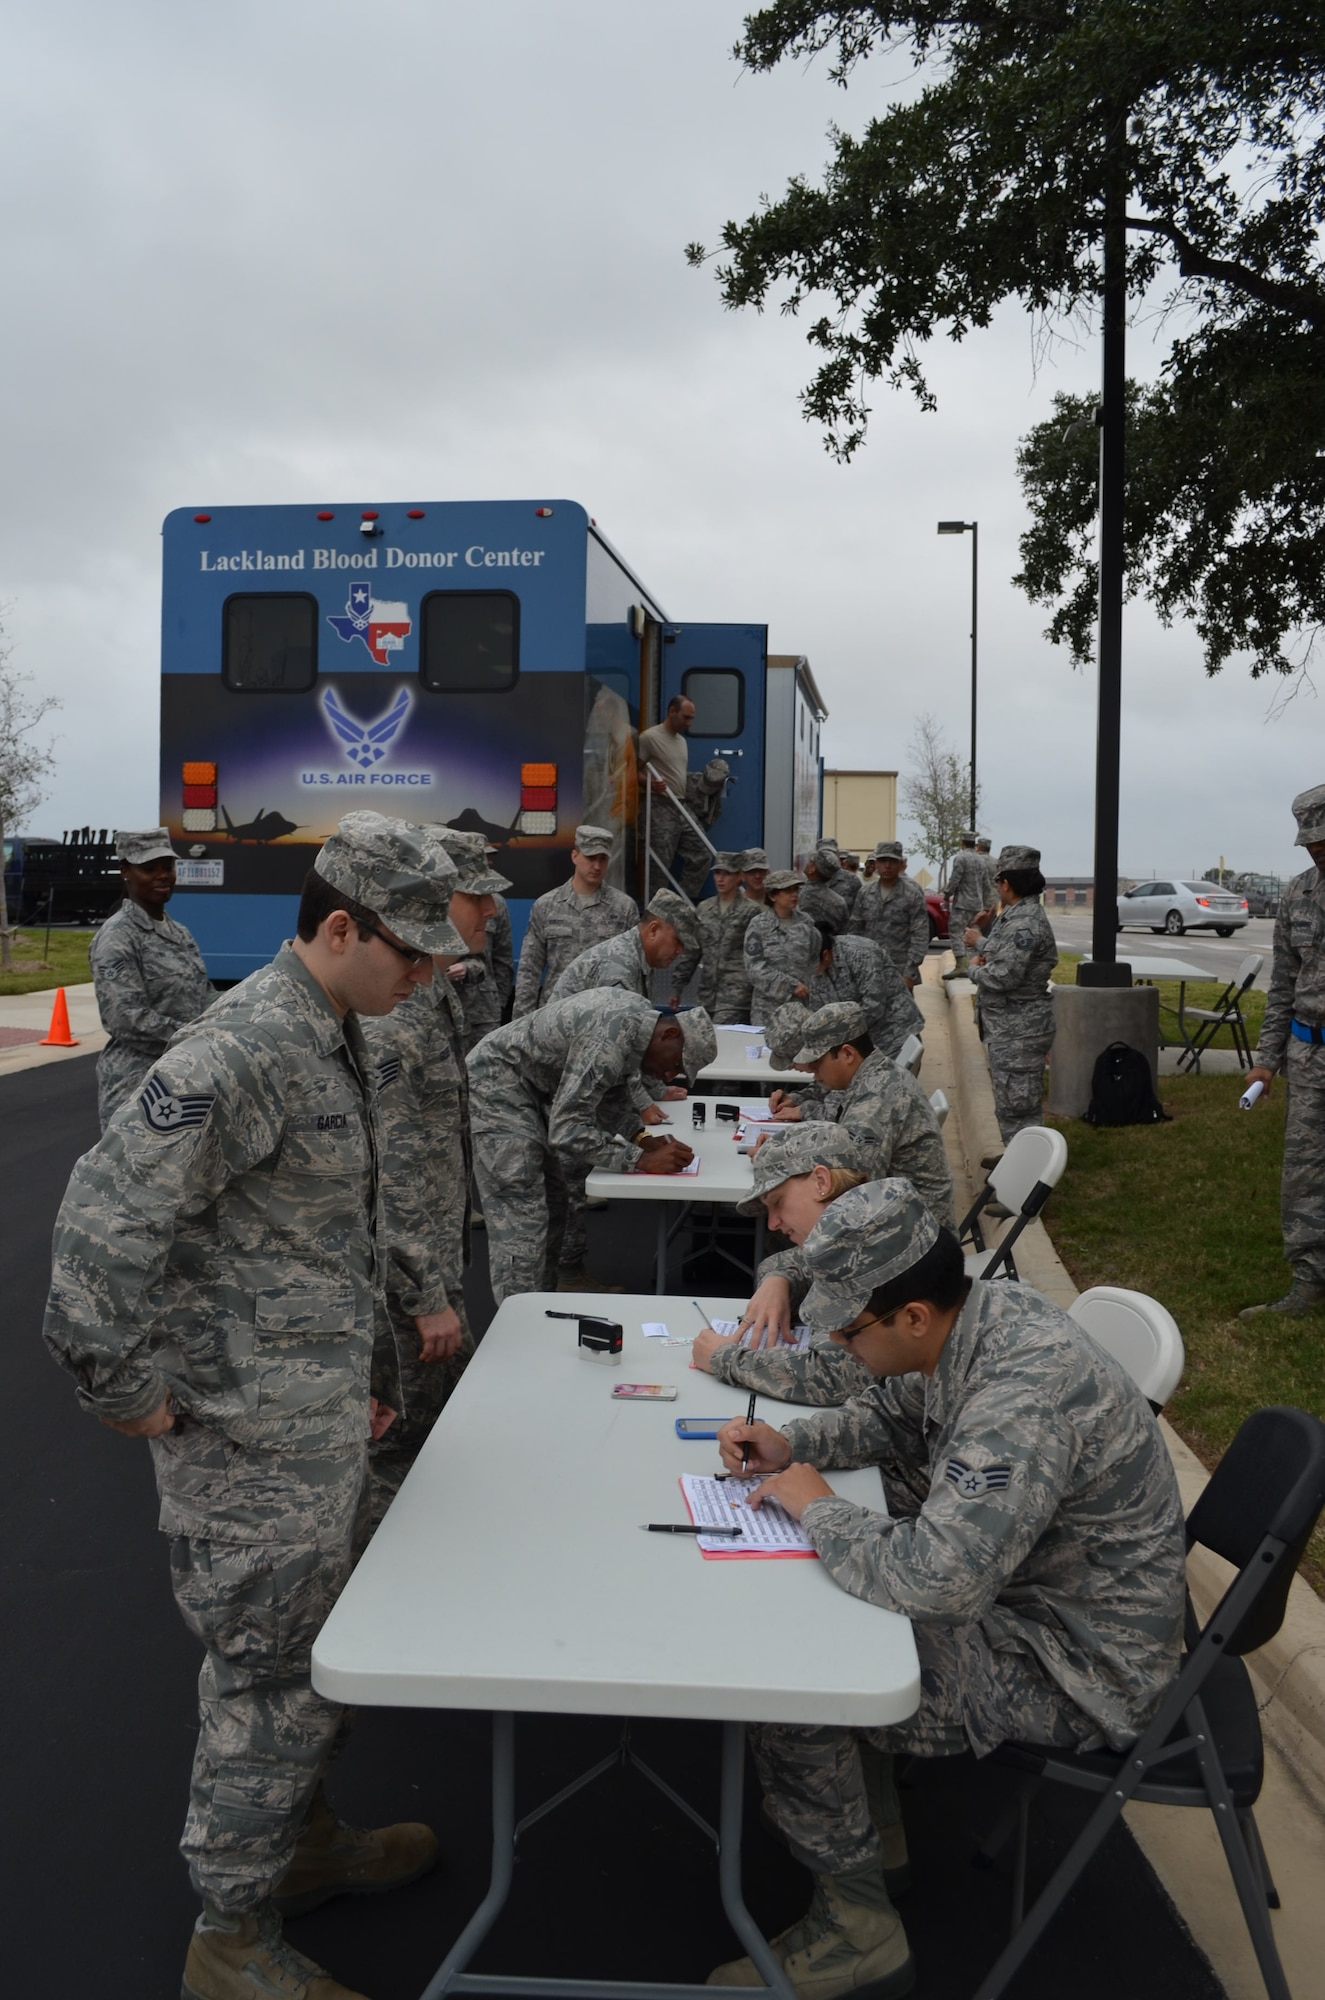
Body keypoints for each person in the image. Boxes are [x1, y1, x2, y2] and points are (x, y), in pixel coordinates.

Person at [43, 811, 462, 2000]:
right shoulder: (240, 1048)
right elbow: (98, 1229)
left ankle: (302, 1845)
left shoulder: (332, 1031)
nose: (425, 974)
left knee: (310, 1658)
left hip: (314, 1423)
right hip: (247, 1444)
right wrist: (125, 1389)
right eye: (410, 951)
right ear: (340, 927)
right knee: (266, 1675)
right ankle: (229, 1936)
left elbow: (334, 1223)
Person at [707, 1179, 1186, 2000]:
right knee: (822, 1613)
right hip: (1040, 1603)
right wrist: (794, 1442)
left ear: (913, 1317)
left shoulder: (1019, 1397)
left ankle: (859, 1935)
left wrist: (818, 1508)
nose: (843, 1349)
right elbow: (894, 1414)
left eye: (851, 1332)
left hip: (1075, 1662)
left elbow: (936, 1583)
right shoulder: (976, 1319)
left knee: (793, 1678)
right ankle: (874, 1844)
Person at [361, 829, 512, 1522]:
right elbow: (387, 1167)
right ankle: (379, 1607)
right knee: (403, 1452)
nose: (492, 911)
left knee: (439, 1438)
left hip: (433, 1255)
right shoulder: (396, 1013)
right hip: (403, 1281)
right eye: (477, 895)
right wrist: (424, 1294)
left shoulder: (429, 992)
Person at [466, 993, 697, 1302]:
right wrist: (639, 1159)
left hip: (526, 1091)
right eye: (675, 1064)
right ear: (668, 1034)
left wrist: (642, 1138)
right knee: (522, 1216)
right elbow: (567, 1130)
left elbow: (612, 1096)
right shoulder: (612, 1034)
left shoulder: (637, 1026)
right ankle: (517, 1330)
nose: (668, 1076)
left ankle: (539, 1308)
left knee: (554, 1202)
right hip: (496, 1087)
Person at [692, 1124, 875, 1406]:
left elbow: (835, 1377)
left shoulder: (859, 1252)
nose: (773, 1223)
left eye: (778, 1203)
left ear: (821, 1182)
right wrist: (778, 1280)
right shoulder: (856, 1227)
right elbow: (784, 1262)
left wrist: (723, 1358)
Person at [1240, 782, 1325, 1316]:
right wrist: (1267, 1060)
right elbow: (1283, 987)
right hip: (1309, 1055)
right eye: (1311, 842)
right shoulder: (1297, 894)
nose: (1318, 849)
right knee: (1304, 1173)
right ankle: (1310, 1282)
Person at [764, 1000, 954, 1229]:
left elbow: (849, 1182)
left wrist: (777, 1157)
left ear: (847, 1054)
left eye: (818, 1063)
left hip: (912, 1234)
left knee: (788, 1224)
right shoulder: (872, 1077)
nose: (814, 1073)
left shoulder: (877, 1096)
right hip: (900, 1216)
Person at [88, 827, 215, 1131]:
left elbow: (204, 996)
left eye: (167, 867)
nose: (162, 875)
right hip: (139, 1089)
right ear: (125, 872)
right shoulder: (118, 937)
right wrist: (196, 1038)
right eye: (148, 868)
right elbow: (125, 1018)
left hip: (185, 1079)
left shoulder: (179, 933)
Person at [965, 843, 1059, 1144]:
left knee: (1019, 1112)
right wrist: (981, 943)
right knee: (1011, 1107)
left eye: (997, 881)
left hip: (1019, 1031)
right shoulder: (1017, 914)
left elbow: (1004, 975)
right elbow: (1005, 953)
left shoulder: (1024, 922)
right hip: (1011, 1029)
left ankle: (1025, 1180)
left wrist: (973, 970)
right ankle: (1015, 1164)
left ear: (1006, 883)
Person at [512, 824, 637, 1014]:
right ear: (575, 856)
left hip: (604, 1016)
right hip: (556, 1016)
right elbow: (529, 971)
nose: (596, 866)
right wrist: (521, 1025)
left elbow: (635, 970)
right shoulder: (546, 906)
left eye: (602, 859)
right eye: (590, 857)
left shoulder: (624, 908)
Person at [808, 923, 923, 1062]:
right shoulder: (816, 969)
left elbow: (873, 1006)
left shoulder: (861, 953)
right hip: (860, 1044)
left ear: (825, 955)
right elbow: (818, 1011)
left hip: (895, 1033)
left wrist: (838, 1035)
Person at [669, 851, 758, 1021]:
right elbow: (693, 951)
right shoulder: (704, 909)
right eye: (717, 873)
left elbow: (756, 955)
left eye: (727, 874)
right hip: (707, 994)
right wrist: (677, 986)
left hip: (736, 996)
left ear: (739, 876)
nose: (720, 879)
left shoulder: (751, 911)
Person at [848, 840, 930, 989]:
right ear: (876, 864)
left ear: (900, 864)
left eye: (892, 861)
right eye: (883, 861)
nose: (887, 866)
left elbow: (920, 935)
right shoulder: (865, 893)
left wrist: (909, 973)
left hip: (899, 971)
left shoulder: (912, 894)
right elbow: (855, 931)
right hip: (869, 970)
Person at [744, 870, 819, 1025]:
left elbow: (815, 962)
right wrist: (790, 986)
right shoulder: (758, 925)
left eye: (796, 890)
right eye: (787, 890)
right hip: (767, 1009)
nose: (794, 895)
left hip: (801, 1006)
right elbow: (754, 968)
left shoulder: (807, 923)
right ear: (772, 896)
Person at [450, 872, 514, 1054]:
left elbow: (503, 959)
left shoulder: (497, 904)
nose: (488, 910)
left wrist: (498, 1003)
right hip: (448, 1010)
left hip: (483, 1011)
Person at [637, 694, 695, 890]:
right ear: (672, 711)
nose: (689, 722)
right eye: (686, 717)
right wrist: (650, 783)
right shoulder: (649, 737)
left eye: (691, 718)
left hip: (681, 805)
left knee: (702, 851)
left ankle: (682, 901)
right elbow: (630, 772)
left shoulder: (682, 741)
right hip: (659, 805)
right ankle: (655, 910)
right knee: (660, 863)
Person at [941, 830, 985, 981]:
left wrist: (947, 895)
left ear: (962, 843)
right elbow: (985, 882)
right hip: (977, 903)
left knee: (956, 931)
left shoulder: (961, 858)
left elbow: (955, 878)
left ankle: (961, 965)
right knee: (974, 933)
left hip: (963, 903)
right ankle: (974, 963)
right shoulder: (980, 860)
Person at [798, 847, 851, 934]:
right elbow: (843, 932)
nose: (807, 863)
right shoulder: (839, 902)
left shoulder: (797, 895)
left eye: (809, 861)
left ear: (812, 869)